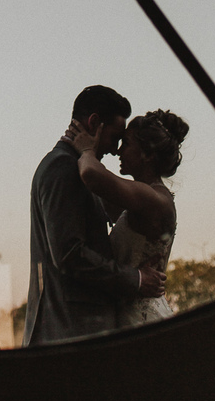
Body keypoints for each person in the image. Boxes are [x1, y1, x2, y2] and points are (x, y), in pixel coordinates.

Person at [23, 86, 166, 346]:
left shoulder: (76, 168)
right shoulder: (63, 167)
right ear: (94, 122)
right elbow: (69, 254)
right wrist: (135, 279)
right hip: (72, 330)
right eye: (114, 137)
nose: (114, 150)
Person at [65, 108, 189, 329]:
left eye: (127, 144)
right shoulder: (138, 198)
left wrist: (86, 149)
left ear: (147, 154)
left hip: (141, 320)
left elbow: (91, 174)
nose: (118, 151)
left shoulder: (153, 198)